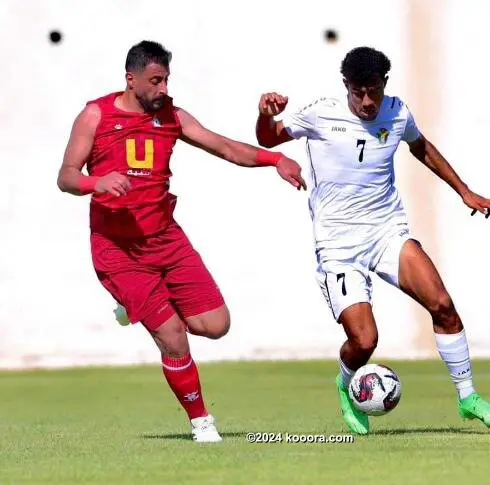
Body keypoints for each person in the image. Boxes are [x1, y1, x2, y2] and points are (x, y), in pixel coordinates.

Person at [57, 40, 306, 443]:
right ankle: (201, 421)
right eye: (155, 81)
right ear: (131, 79)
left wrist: (275, 159)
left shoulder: (172, 116)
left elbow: (225, 147)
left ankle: (136, 305)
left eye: (166, 80)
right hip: (119, 250)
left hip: (167, 241)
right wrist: (95, 182)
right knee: (173, 335)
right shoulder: (95, 115)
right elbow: (66, 175)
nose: (163, 88)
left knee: (216, 325)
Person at [255, 46, 490, 435]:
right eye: (358, 92)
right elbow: (268, 139)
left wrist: (465, 192)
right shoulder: (321, 113)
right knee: (364, 341)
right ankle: (345, 384)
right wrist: (264, 115)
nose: (367, 101)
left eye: (373, 91)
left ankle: (468, 397)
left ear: (384, 84)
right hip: (338, 245)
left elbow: (421, 147)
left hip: (386, 232)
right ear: (346, 86)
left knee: (442, 305)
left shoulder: (397, 112)